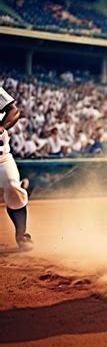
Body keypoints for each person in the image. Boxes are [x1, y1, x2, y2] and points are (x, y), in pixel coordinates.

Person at [0, 86, 33, 250]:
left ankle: (21, 235)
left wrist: (2, 127)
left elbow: (13, 110)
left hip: (1, 158)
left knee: (13, 189)